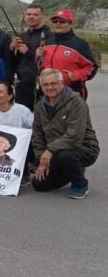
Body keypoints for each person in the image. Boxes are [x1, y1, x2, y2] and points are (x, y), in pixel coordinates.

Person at [31, 68, 99, 199]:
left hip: (84, 148)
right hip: (56, 151)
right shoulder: (40, 106)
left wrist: (49, 150)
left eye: (53, 83)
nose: (50, 87)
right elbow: (38, 135)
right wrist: (41, 162)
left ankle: (80, 184)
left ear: (62, 83)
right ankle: (72, 169)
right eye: (45, 84)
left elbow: (75, 136)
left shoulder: (76, 103)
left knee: (66, 156)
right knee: (39, 185)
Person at [39, 9, 97, 99]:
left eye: (62, 21)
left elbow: (92, 67)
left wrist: (73, 76)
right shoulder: (46, 42)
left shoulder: (80, 44)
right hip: (48, 92)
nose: (58, 24)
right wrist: (37, 57)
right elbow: (40, 64)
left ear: (71, 24)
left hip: (71, 92)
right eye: (55, 21)